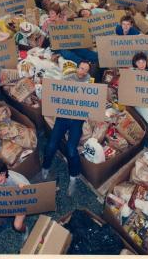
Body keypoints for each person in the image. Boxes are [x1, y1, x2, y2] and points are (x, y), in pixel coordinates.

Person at [42, 61, 91, 196]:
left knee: (71, 149)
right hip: (63, 116)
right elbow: (56, 95)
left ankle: (73, 178)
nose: (82, 71)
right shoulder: (66, 79)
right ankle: (45, 167)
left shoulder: (90, 83)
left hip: (77, 119)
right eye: (81, 68)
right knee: (51, 144)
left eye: (85, 70)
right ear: (77, 68)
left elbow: (92, 102)